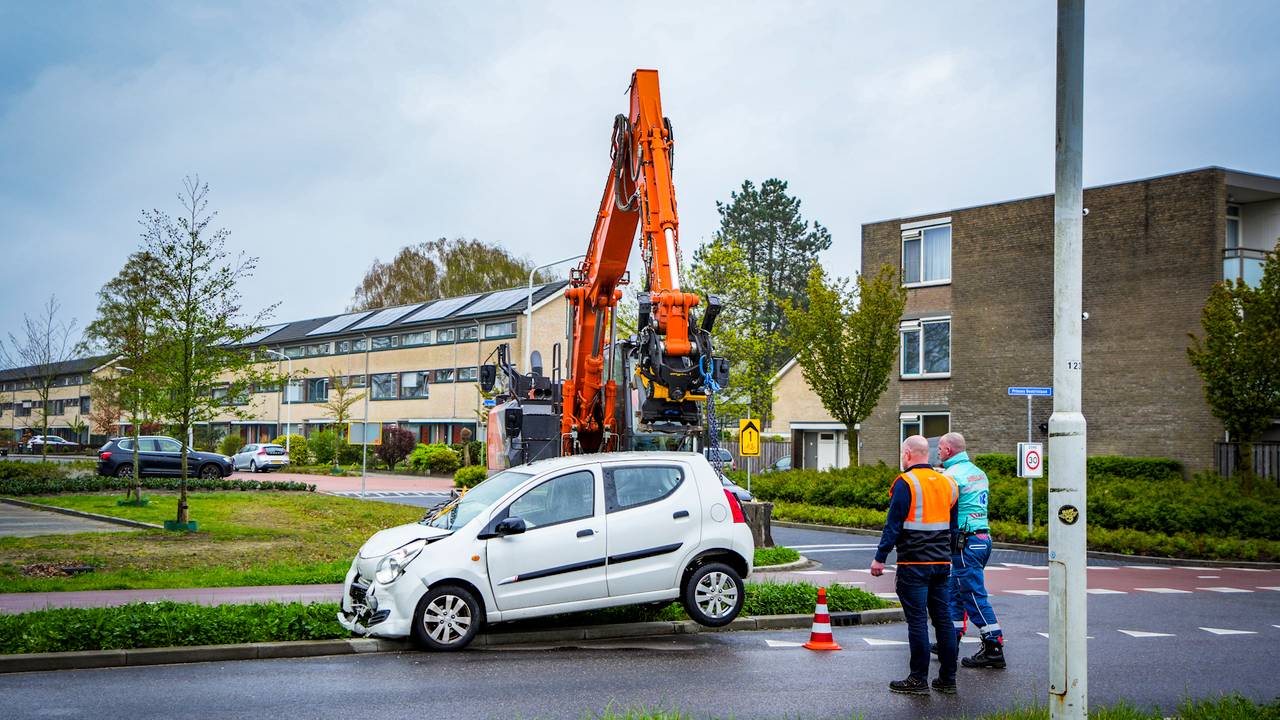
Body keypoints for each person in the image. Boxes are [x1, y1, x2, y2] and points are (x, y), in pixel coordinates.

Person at [871, 434, 959, 695]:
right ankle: (947, 679)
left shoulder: (905, 482)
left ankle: (918, 679)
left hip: (914, 563)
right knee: (943, 620)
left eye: (902, 453)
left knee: (918, 621)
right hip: (942, 563)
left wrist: (880, 557)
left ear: (908, 453)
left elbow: (893, 525)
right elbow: (953, 528)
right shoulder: (948, 483)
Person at [937, 432, 1006, 669]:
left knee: (973, 595)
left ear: (948, 451)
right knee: (955, 591)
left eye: (939, 449)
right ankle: (950, 640)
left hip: (964, 542)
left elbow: (945, 507)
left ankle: (993, 646)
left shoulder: (952, 476)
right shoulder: (977, 471)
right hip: (982, 538)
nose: (938, 452)